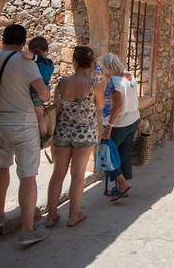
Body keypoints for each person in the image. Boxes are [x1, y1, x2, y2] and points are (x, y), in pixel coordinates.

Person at [0, 24, 51, 245]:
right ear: (24, 42)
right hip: (24, 123)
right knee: (27, 175)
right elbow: (44, 94)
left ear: (2, 39)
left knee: (1, 166)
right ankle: (27, 229)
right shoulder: (24, 62)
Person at [46, 46, 104, 228]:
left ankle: (51, 215)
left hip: (63, 131)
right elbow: (100, 106)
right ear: (91, 64)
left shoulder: (62, 82)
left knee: (58, 174)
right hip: (85, 133)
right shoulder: (95, 85)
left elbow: (57, 107)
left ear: (75, 62)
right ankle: (73, 215)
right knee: (78, 175)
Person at [98, 53, 140, 201]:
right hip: (132, 120)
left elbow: (117, 105)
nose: (102, 72)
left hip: (119, 123)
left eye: (102, 69)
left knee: (108, 153)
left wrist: (108, 127)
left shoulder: (114, 81)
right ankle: (123, 186)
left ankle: (122, 183)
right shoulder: (130, 76)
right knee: (123, 152)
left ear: (108, 68)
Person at [28, 36, 55, 147]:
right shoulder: (49, 63)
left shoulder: (37, 61)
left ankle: (44, 135)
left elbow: (25, 55)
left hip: (34, 88)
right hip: (45, 86)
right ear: (47, 50)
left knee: (39, 114)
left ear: (32, 51)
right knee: (40, 114)